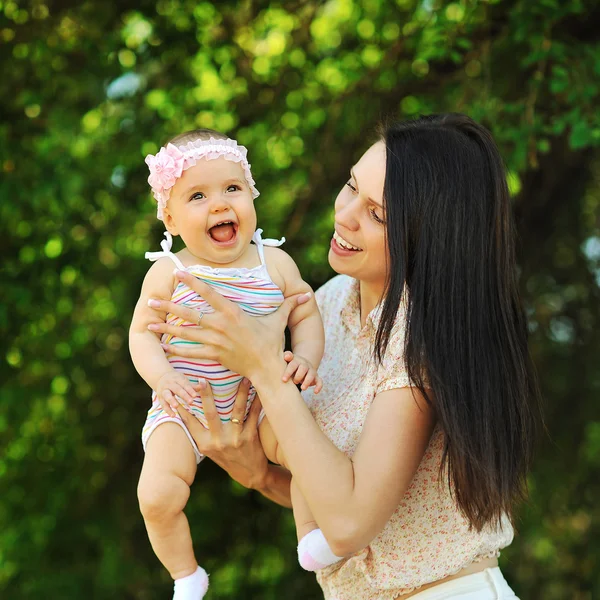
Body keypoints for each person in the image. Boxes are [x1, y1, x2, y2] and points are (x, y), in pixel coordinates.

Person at [146, 114, 542, 599]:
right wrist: (257, 473)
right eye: (351, 185)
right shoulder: (330, 303)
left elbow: (350, 523)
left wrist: (264, 368)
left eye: (377, 214)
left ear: (429, 233)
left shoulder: (421, 335)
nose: (346, 214)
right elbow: (326, 499)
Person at [129, 128, 334, 600]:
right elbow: (142, 333)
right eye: (198, 195)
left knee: (301, 454)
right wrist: (163, 377)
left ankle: (310, 534)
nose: (220, 205)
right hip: (182, 406)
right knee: (156, 496)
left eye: (232, 189)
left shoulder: (274, 263)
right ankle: (186, 575)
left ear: (251, 197)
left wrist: (305, 357)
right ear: (171, 218)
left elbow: (305, 312)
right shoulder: (168, 272)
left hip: (261, 401)